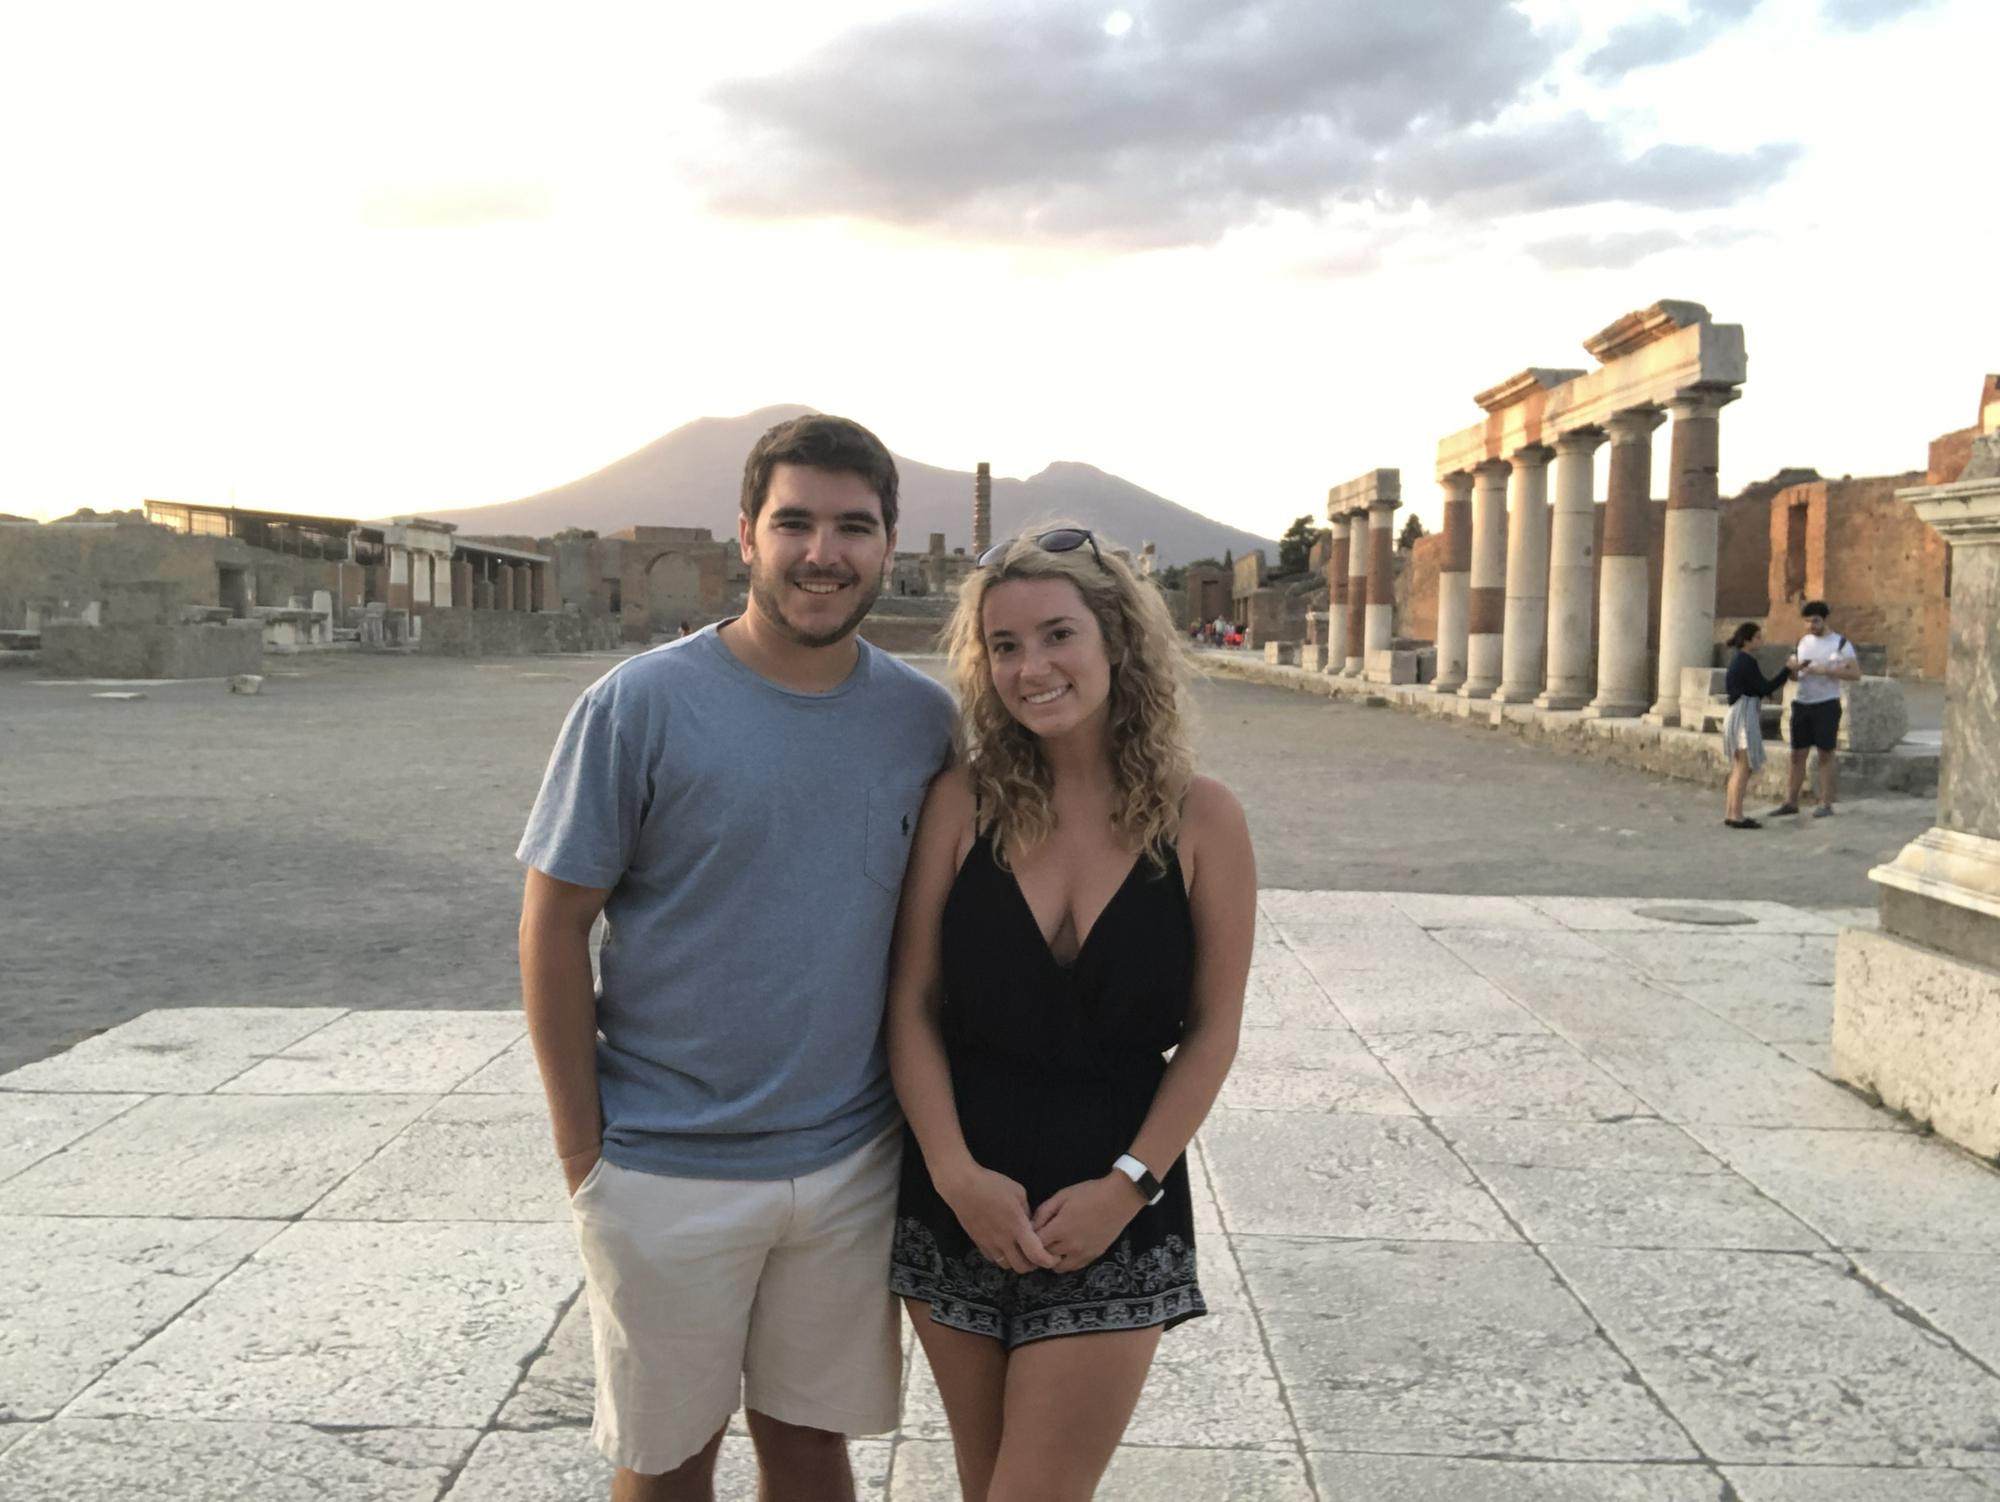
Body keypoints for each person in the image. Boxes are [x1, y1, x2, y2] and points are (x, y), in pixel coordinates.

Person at [516, 413, 955, 1502]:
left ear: (888, 544)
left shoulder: (921, 720)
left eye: (853, 526)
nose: (823, 552)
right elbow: (554, 923)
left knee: (811, 1448)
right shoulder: (640, 704)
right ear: (747, 535)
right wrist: (585, 1153)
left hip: (850, 1160)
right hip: (666, 1164)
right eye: (795, 522)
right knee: (668, 1462)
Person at [886, 523, 1256, 1502]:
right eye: (1004, 645)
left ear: (1115, 640)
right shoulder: (962, 803)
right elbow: (911, 1006)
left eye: (1057, 635)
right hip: (959, 1196)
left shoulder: (1201, 818)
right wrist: (954, 1174)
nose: (1032, 668)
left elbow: (1213, 1029)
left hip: (1111, 1194)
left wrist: (1128, 1185)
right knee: (986, 1484)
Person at [1770, 599, 1860, 818]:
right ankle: (1791, 801)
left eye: (1815, 621)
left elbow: (1855, 674)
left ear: (1825, 620)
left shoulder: (1841, 644)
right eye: (1807, 621)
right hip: (1803, 703)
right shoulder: (1802, 642)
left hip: (1826, 704)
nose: (1811, 625)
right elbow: (1795, 676)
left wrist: (1826, 671)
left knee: (1825, 754)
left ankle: (1825, 803)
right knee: (1797, 754)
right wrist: (1793, 670)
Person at [1720, 621, 1794, 829]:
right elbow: (1764, 687)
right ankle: (1737, 815)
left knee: (1739, 766)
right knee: (1744, 766)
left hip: (1738, 712)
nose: (1762, 641)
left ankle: (1731, 812)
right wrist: (1787, 670)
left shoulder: (1739, 660)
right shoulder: (1746, 661)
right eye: (1758, 637)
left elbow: (1755, 687)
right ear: (1748, 641)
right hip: (1744, 714)